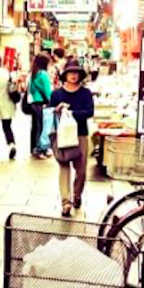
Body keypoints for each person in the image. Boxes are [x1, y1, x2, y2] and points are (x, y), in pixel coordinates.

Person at [49, 61, 95, 217]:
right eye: (70, 72)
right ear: (65, 75)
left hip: (80, 134)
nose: (73, 75)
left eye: (76, 72)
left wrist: (71, 113)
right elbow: (50, 113)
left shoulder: (86, 93)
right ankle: (65, 202)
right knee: (64, 167)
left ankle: (77, 195)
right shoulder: (56, 94)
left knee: (81, 171)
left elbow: (89, 112)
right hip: (61, 136)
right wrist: (57, 110)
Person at [26, 54, 52, 158]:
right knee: (42, 127)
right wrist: (51, 101)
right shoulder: (43, 74)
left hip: (34, 103)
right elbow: (47, 90)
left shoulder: (33, 73)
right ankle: (40, 148)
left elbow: (31, 89)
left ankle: (34, 148)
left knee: (35, 126)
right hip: (42, 103)